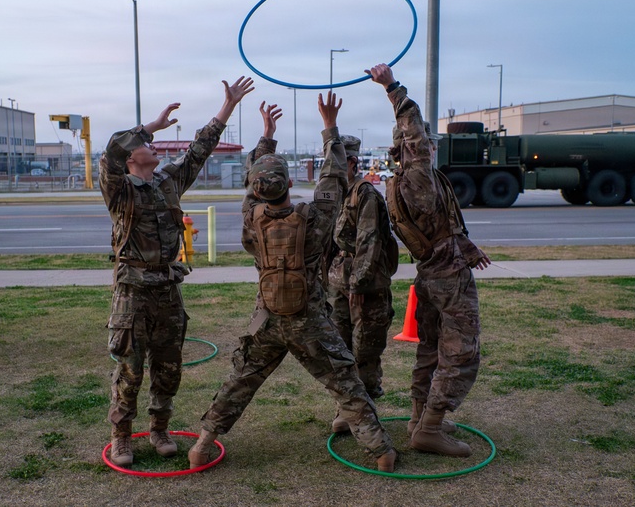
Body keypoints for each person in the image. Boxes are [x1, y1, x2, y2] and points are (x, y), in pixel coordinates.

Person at [189, 94, 396, 473]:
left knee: (241, 380)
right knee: (345, 382)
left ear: (257, 189)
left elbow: (253, 183)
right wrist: (330, 126)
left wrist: (267, 135)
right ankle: (381, 452)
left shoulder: (251, 218)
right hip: (309, 321)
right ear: (287, 183)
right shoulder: (315, 219)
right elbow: (334, 177)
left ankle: (202, 445)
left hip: (266, 319)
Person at [100, 76, 255, 467]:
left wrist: (228, 107)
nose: (153, 146)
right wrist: (149, 126)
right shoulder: (119, 188)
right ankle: (121, 436)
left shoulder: (167, 182)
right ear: (131, 158)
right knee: (130, 369)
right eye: (145, 145)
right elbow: (112, 150)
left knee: (168, 367)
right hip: (133, 290)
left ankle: (159, 429)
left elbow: (199, 151)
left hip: (167, 288)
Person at [366, 63, 491, 458]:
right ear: (413, 149)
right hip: (448, 278)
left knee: (431, 346)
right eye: (426, 144)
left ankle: (420, 416)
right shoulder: (417, 176)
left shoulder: (399, 182)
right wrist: (393, 88)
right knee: (461, 350)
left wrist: (466, 247)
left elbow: (440, 227)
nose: (430, 147)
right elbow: (414, 135)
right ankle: (431, 428)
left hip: (432, 273)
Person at [327, 134, 398, 432]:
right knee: (340, 347)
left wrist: (358, 284)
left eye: (337, 162)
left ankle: (364, 411)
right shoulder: (336, 192)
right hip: (339, 283)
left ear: (352, 162)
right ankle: (347, 407)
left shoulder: (365, 194)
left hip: (366, 285)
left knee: (365, 348)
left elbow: (369, 241)